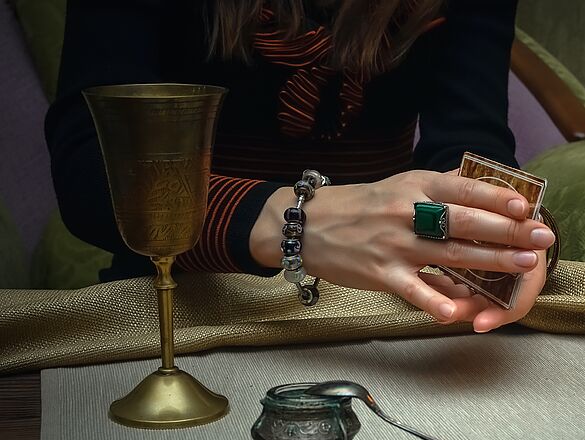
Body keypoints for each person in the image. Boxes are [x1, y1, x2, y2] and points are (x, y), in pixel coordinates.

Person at [46, 0, 555, 333]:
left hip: (388, 311)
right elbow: (93, 170)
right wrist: (299, 225)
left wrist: (508, 232)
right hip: (178, 302)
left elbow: (470, 146)